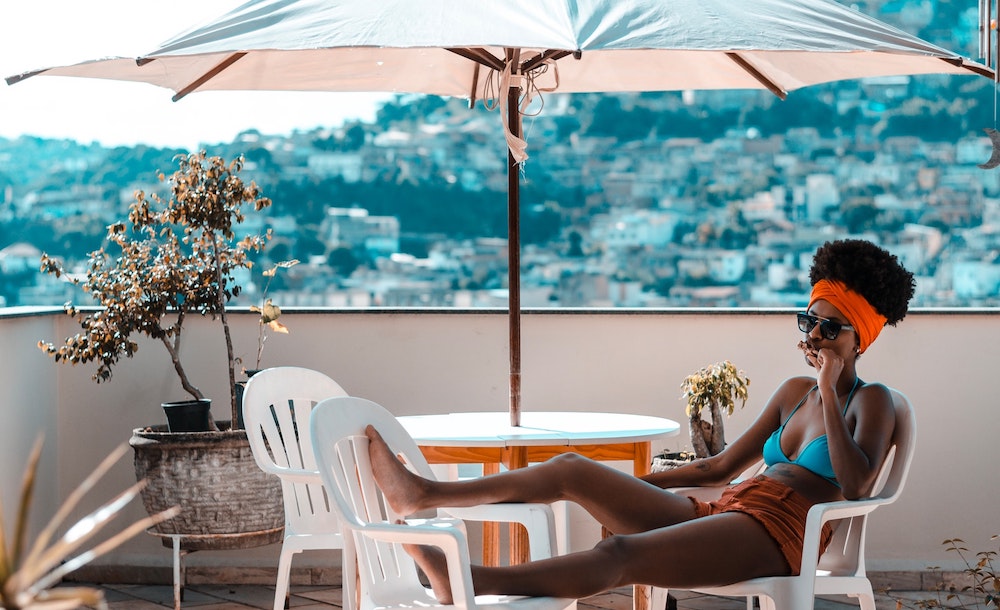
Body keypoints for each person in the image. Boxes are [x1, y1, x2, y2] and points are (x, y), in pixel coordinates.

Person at [366, 238, 915, 602]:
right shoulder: (792, 392)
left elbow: (856, 483)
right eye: (809, 320)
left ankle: (465, 581)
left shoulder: (874, 402)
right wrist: (643, 484)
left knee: (619, 555)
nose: (814, 336)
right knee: (572, 469)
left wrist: (829, 384)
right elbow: (719, 466)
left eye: (830, 327)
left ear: (860, 336)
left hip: (782, 533)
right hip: (730, 507)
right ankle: (423, 494)